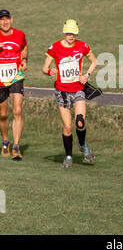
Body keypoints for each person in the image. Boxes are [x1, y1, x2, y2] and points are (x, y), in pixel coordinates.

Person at [42, 19, 97, 168]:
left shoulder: (82, 46)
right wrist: (49, 71)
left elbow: (94, 61)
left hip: (78, 89)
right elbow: (45, 67)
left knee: (80, 121)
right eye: (68, 33)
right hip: (62, 91)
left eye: (73, 34)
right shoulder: (55, 47)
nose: (71, 36)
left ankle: (82, 145)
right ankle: (68, 156)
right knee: (67, 126)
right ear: (64, 32)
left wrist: (87, 75)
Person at [0, 10, 28, 160]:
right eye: (1, 19)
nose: (4, 22)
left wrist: (24, 60)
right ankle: (5, 142)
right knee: (3, 114)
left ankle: (16, 147)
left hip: (16, 76)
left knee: (17, 111)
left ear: (11, 20)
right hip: (0, 79)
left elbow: (24, 47)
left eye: (7, 19)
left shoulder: (19, 34)